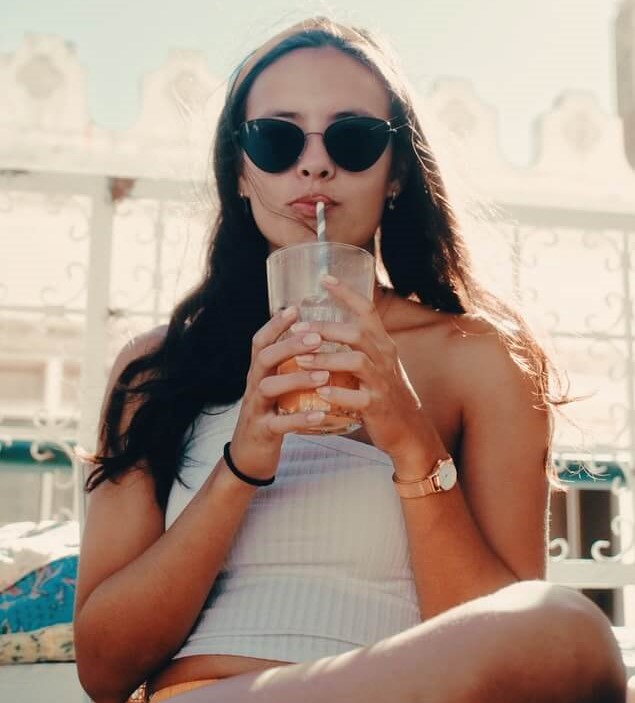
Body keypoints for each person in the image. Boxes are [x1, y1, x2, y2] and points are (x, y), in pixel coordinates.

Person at [73, 16, 625, 703]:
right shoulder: (157, 366)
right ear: (239, 174)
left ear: (396, 173)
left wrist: (408, 437)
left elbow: (510, 641)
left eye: (352, 139)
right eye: (275, 139)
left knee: (561, 627)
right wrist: (242, 460)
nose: (314, 165)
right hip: (215, 691)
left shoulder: (478, 357)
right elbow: (102, 667)